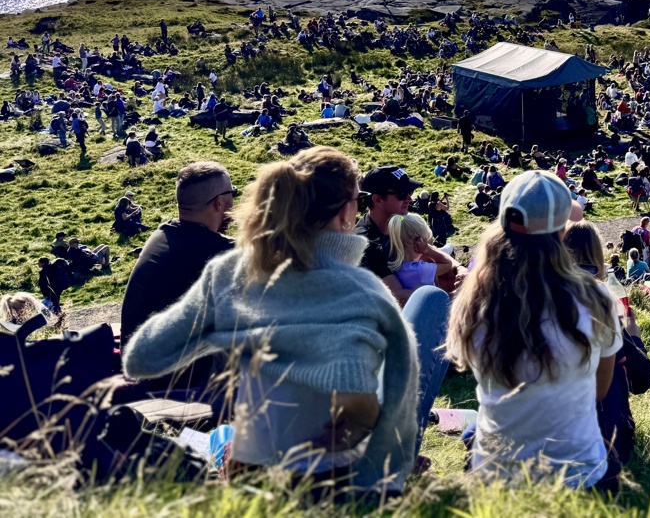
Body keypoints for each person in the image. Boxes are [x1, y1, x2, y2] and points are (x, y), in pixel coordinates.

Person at [123, 148, 422, 491]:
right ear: (345, 213)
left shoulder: (228, 271)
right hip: (341, 480)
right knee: (425, 307)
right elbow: (400, 400)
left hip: (251, 468)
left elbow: (139, 358)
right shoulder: (368, 294)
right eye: (359, 200)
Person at [445, 171, 623, 490]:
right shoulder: (596, 298)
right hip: (577, 475)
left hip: (494, 473)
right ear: (560, 232)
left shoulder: (474, 299)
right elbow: (600, 390)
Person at [560, 221, 650, 471]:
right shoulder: (600, 303)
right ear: (598, 258)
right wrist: (634, 336)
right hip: (607, 448)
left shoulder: (544, 297)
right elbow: (641, 380)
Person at [355, 165, 424, 279]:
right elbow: (396, 290)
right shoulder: (366, 244)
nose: (409, 199)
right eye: (402, 194)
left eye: (410, 192)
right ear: (378, 199)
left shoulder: (402, 222)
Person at [384, 213, 463, 306]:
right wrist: (428, 250)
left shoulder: (396, 267)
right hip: (432, 308)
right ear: (418, 243)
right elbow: (447, 264)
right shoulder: (419, 270)